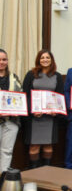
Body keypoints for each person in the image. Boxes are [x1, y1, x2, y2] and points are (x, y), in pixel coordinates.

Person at [22, 49, 64, 168]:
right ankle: (34, 172)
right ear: (38, 60)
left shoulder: (57, 76)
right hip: (35, 117)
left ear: (51, 60)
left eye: (47, 58)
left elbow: (60, 96)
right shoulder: (31, 74)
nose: (45, 60)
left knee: (48, 145)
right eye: (42, 58)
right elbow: (26, 95)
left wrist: (56, 111)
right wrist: (32, 110)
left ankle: (46, 171)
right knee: (34, 145)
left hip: (50, 117)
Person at [0, 49, 22, 181]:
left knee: (7, 151)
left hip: (11, 121)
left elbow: (20, 98)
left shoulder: (14, 77)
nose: (1, 62)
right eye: (0, 59)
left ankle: (3, 178)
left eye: (4, 59)